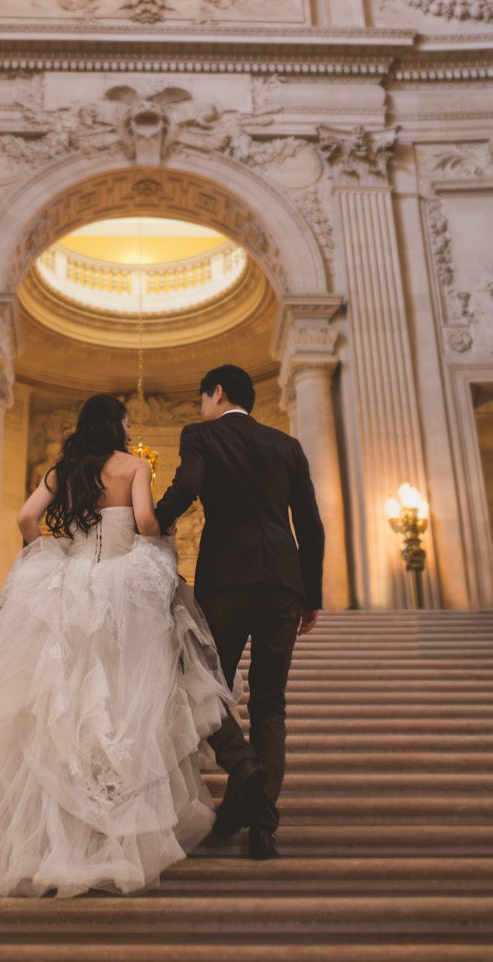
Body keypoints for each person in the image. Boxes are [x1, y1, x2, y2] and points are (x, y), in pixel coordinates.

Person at [0, 393, 236, 898]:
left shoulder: (63, 471)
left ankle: (63, 824)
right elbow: (144, 522)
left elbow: (25, 518)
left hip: (72, 579)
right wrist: (162, 530)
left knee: (68, 694)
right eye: (125, 421)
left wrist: (45, 553)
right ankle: (117, 817)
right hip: (125, 587)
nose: (127, 427)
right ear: (118, 425)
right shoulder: (133, 465)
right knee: (124, 697)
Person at [156, 364, 325, 860]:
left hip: (226, 580)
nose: (200, 408)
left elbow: (188, 487)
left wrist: (150, 527)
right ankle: (260, 827)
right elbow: (310, 524)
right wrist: (310, 594)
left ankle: (244, 766)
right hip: (283, 583)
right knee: (271, 705)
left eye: (201, 399)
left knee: (206, 689)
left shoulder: (202, 434)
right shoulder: (286, 445)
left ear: (218, 393)